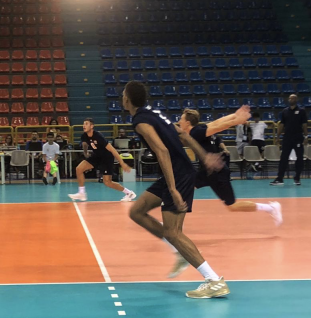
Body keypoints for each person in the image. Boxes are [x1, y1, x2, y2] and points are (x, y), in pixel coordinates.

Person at [122, 82, 230, 299]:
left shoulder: (141, 122)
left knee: (173, 231)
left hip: (177, 175)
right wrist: (203, 155)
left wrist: (172, 188)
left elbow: (161, 150)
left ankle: (214, 280)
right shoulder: (153, 113)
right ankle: (176, 250)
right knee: (136, 212)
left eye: (123, 95)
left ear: (128, 100)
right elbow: (181, 133)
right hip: (177, 172)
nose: (121, 98)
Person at [176, 108, 283, 275]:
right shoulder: (199, 130)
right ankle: (173, 226)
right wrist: (234, 115)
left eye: (181, 120)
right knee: (184, 188)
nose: (179, 122)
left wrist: (236, 120)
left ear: (188, 123)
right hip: (207, 171)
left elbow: (219, 127)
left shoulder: (196, 132)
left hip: (217, 172)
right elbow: (218, 122)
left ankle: (271, 207)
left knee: (232, 206)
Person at [68, 118, 136, 202]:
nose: (84, 125)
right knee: (79, 169)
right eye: (83, 124)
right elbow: (85, 144)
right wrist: (85, 153)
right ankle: (82, 193)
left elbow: (112, 149)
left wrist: (122, 163)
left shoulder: (98, 136)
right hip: (96, 156)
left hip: (106, 157)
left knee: (107, 182)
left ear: (92, 126)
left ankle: (129, 193)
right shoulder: (84, 136)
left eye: (86, 124)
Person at [270, 94, 308, 186]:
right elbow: (281, 124)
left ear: (296, 99)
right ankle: (280, 179)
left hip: (298, 137)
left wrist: (306, 137)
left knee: (299, 158)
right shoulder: (285, 111)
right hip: (287, 138)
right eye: (290, 98)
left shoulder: (301, 111)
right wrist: (277, 137)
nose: (292, 99)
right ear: (288, 99)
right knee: (283, 158)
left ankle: (297, 178)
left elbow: (304, 125)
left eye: (294, 98)